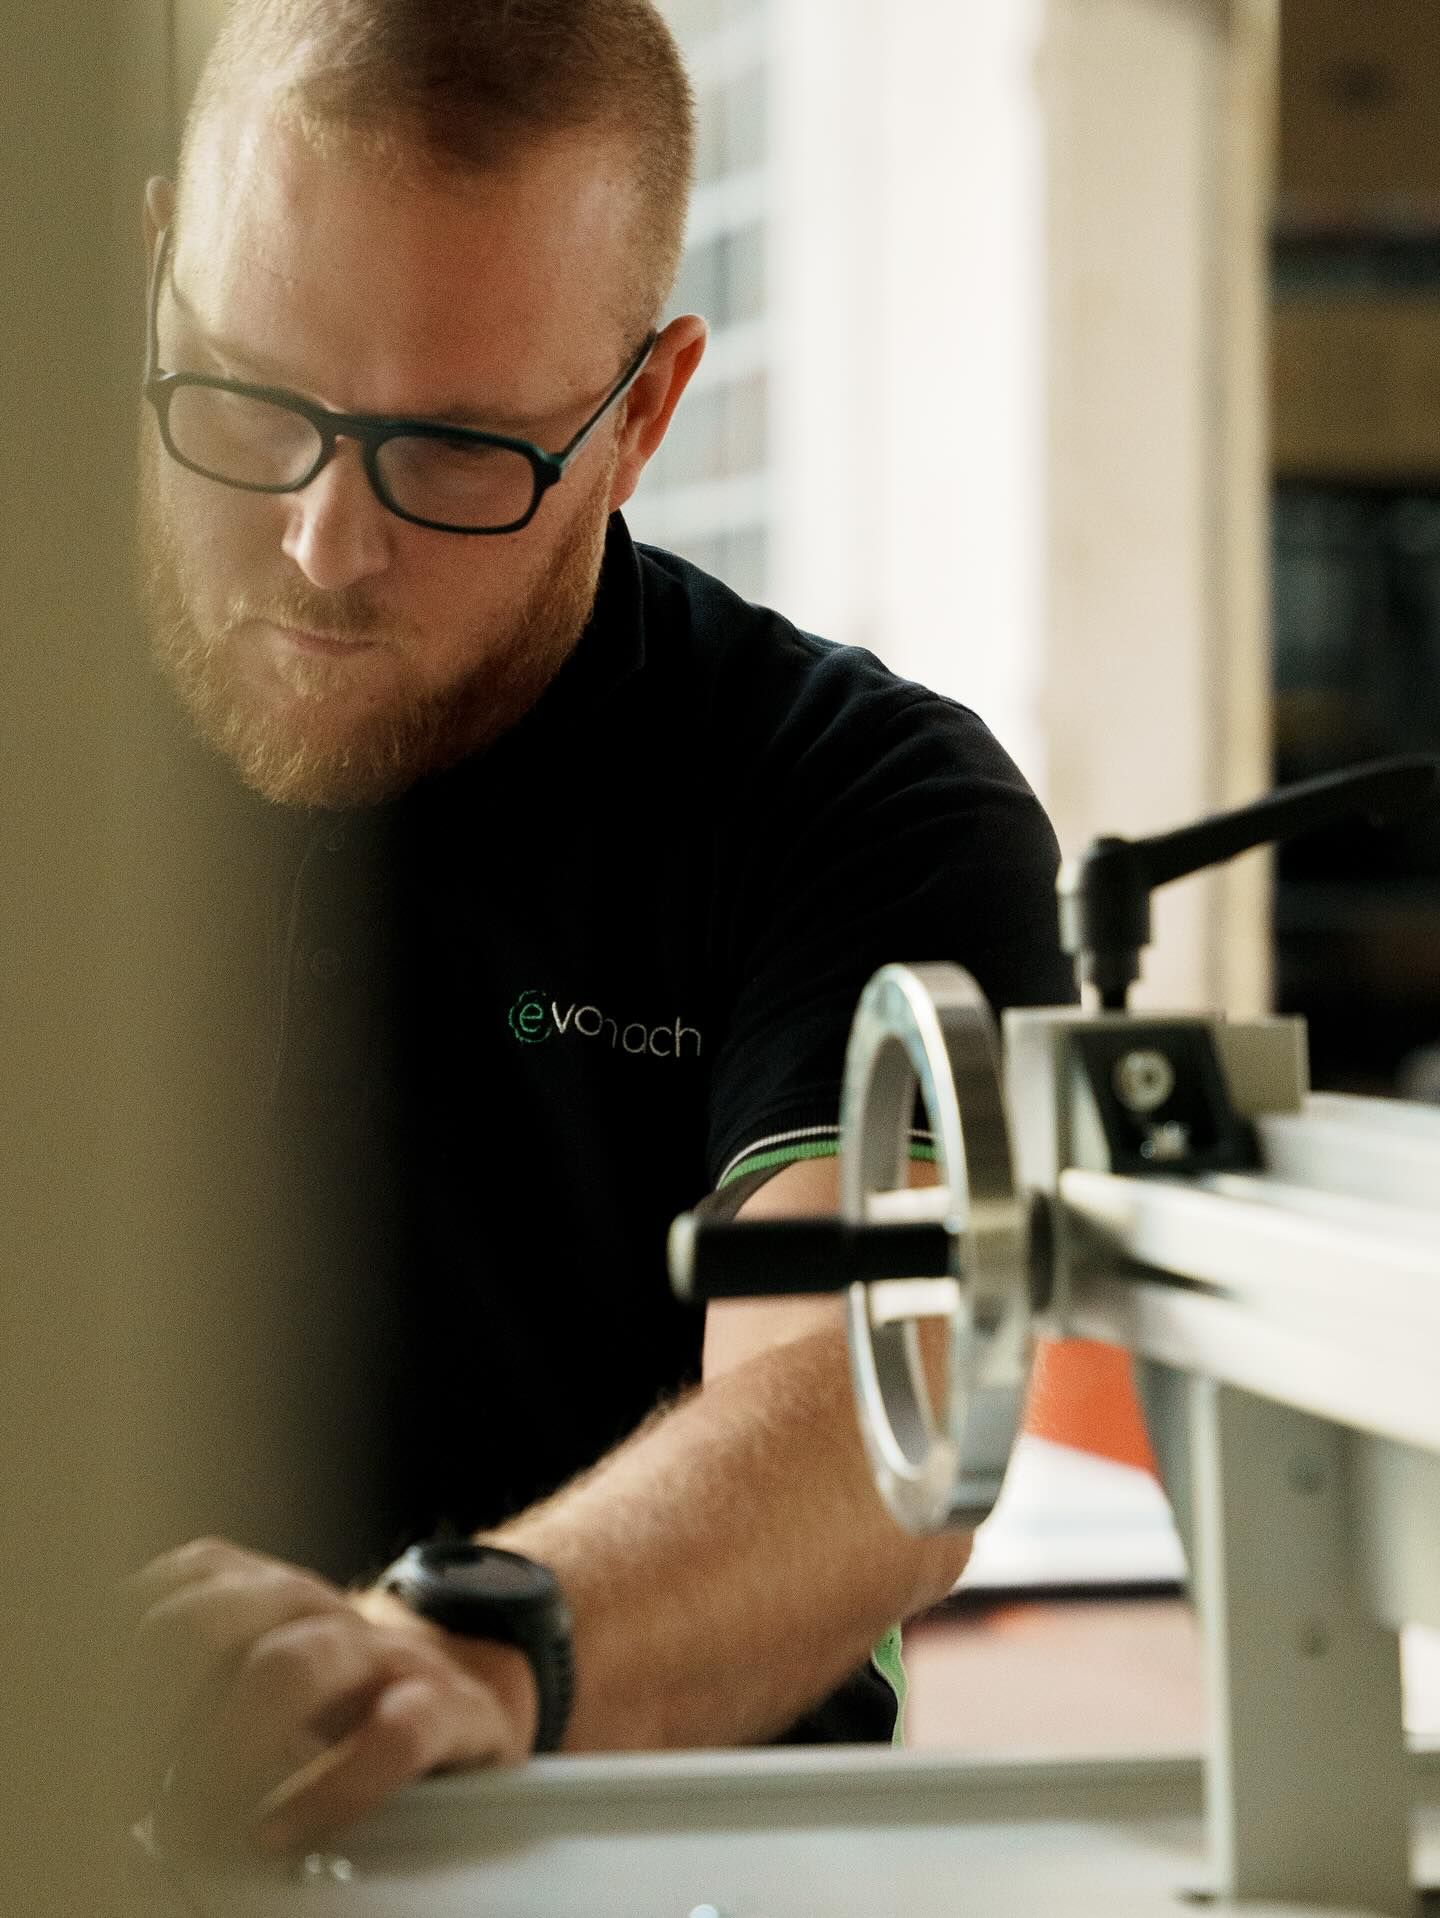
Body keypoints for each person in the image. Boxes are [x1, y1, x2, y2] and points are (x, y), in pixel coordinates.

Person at [125, 0, 1074, 1853]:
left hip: (640, 1867)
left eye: (459, 453)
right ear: (158, 262)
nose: (328, 542)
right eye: (247, 398)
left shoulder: (851, 800)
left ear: (640, 413)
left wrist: (464, 1657)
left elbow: (876, 1402)